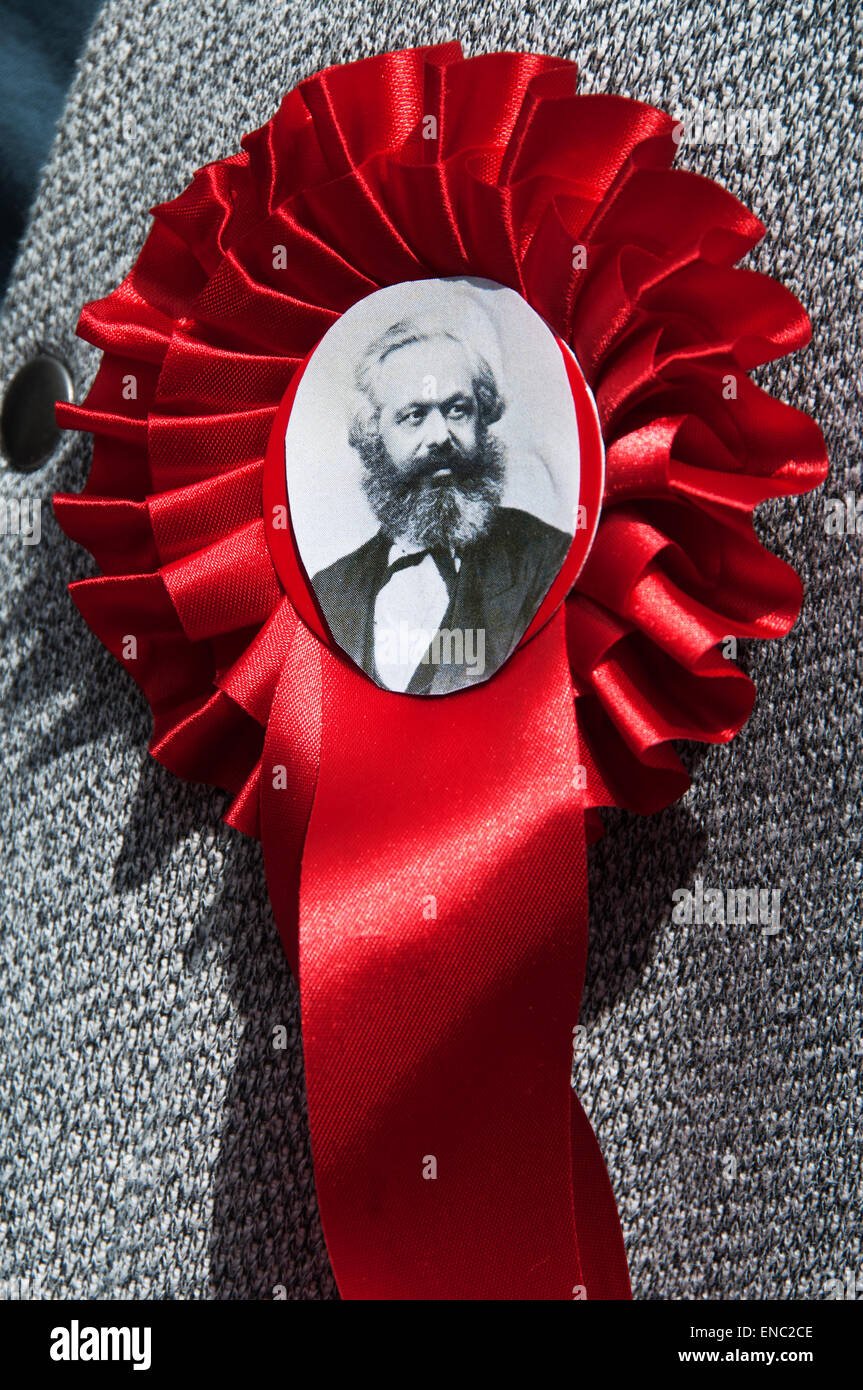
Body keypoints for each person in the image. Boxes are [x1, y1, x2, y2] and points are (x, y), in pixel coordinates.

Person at [310, 319, 572, 693]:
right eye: (414, 416)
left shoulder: (546, 559)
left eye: (457, 410)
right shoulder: (331, 592)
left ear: (482, 418)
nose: (439, 438)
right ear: (373, 435)